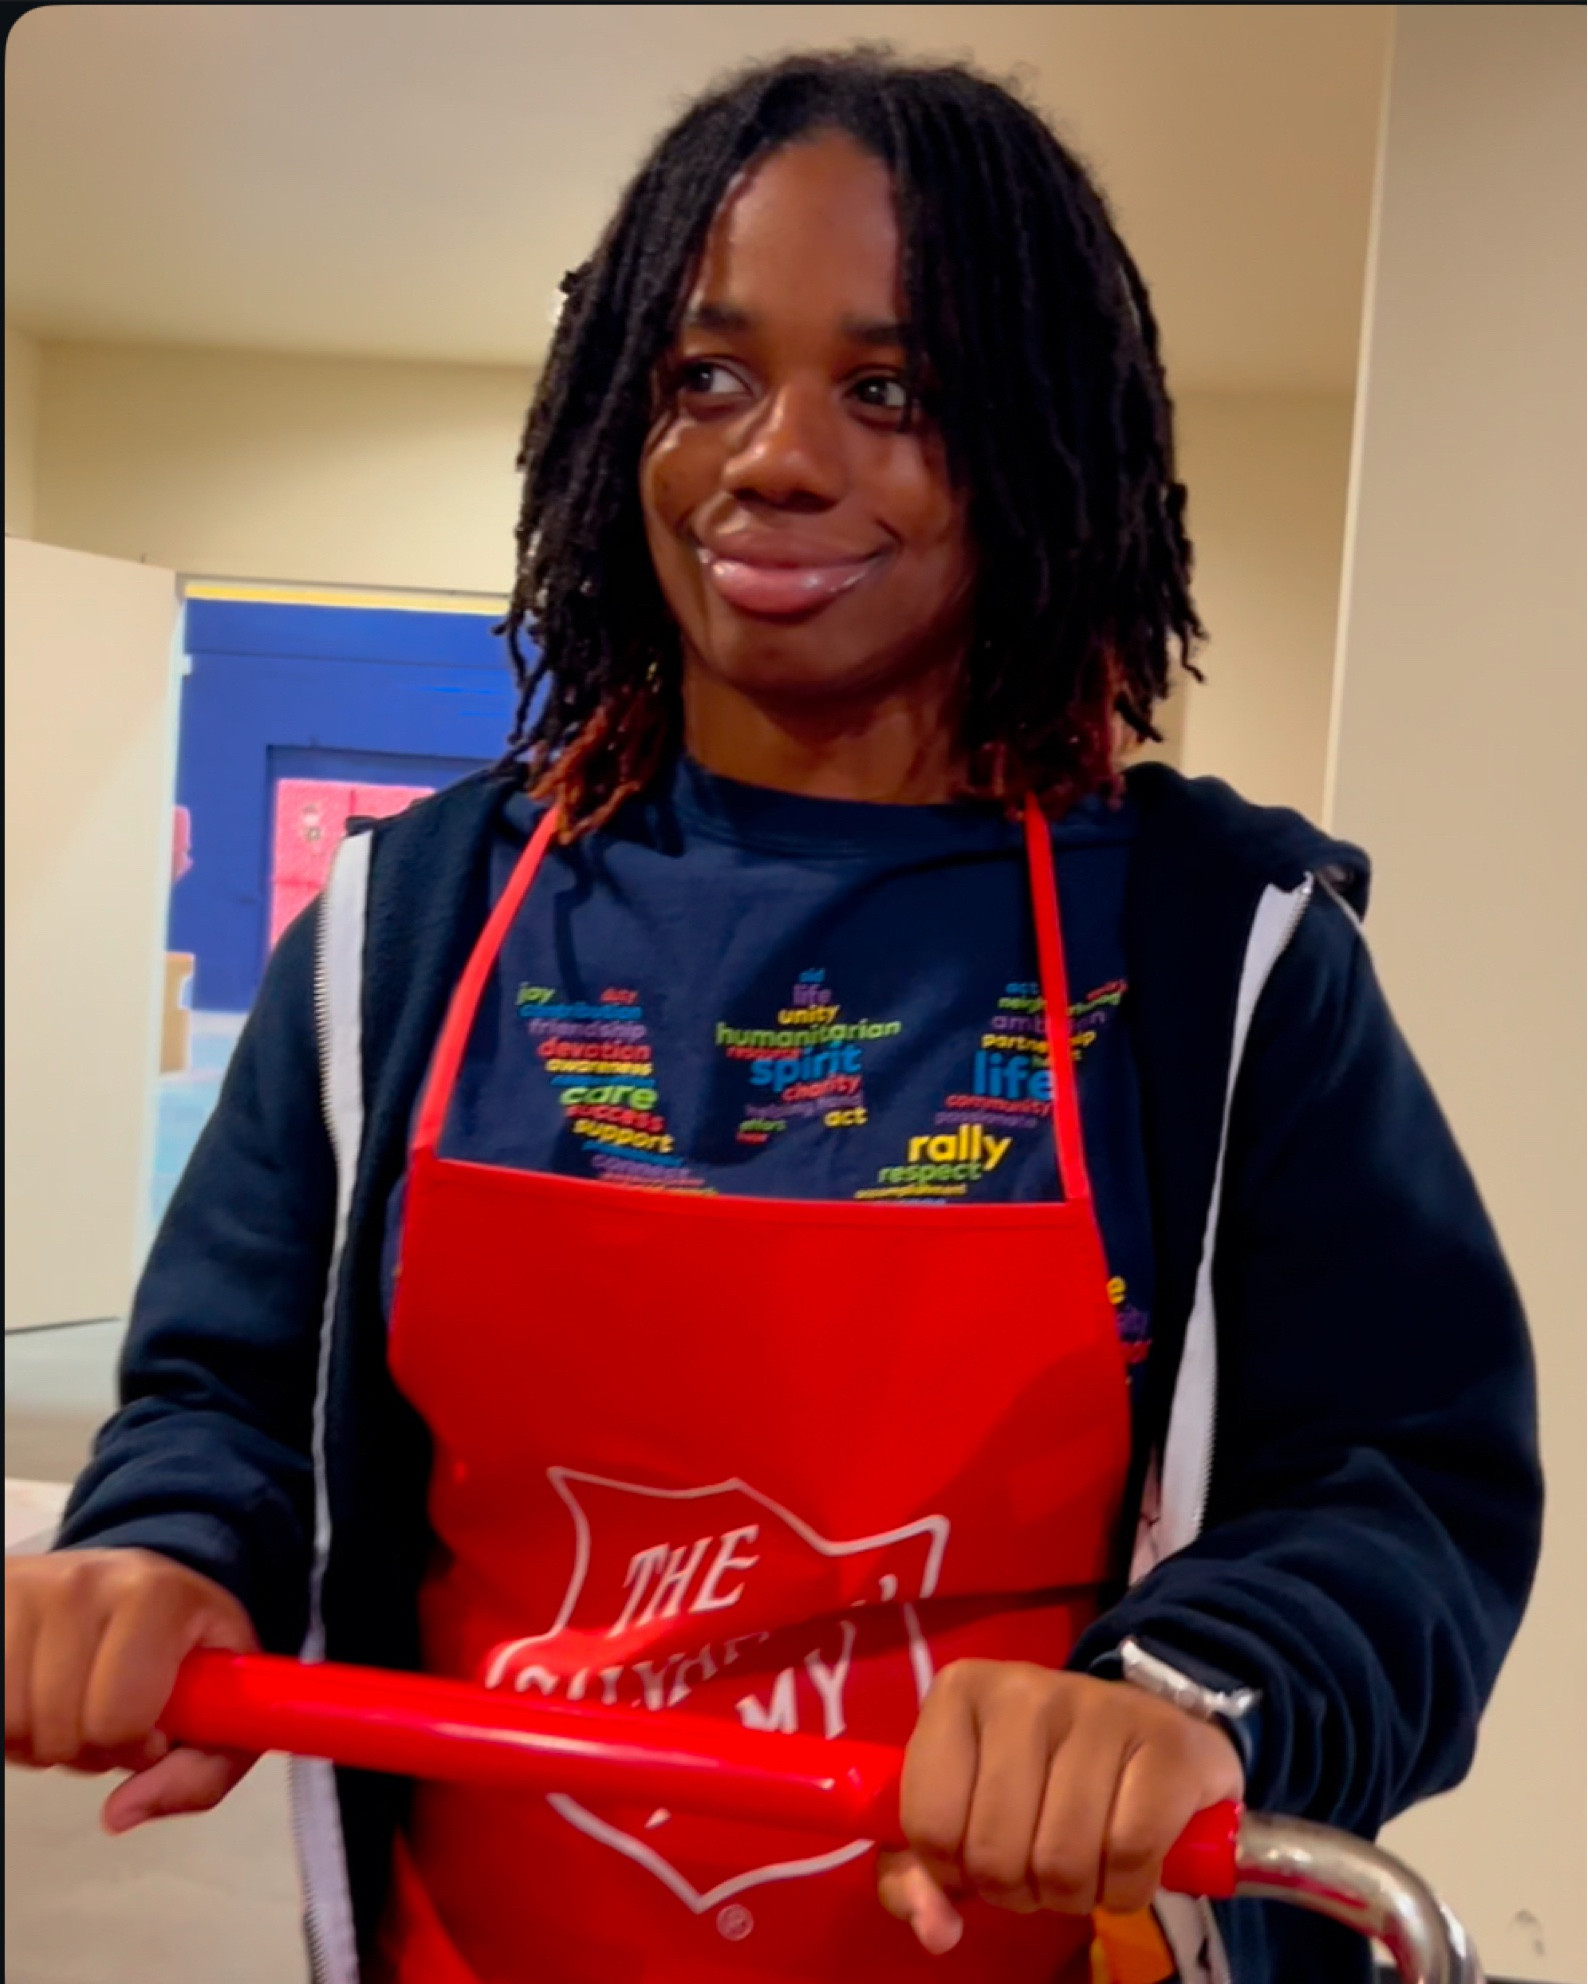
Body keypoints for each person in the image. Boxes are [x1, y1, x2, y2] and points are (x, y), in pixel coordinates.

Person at [3, 50, 1540, 1984]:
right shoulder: (414, 925)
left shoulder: (1224, 957)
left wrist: (1188, 1694)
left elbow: (1404, 1486)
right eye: (706, 377)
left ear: (1045, 440)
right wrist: (162, 1550)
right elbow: (231, 1396)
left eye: (890, 393)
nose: (772, 458)